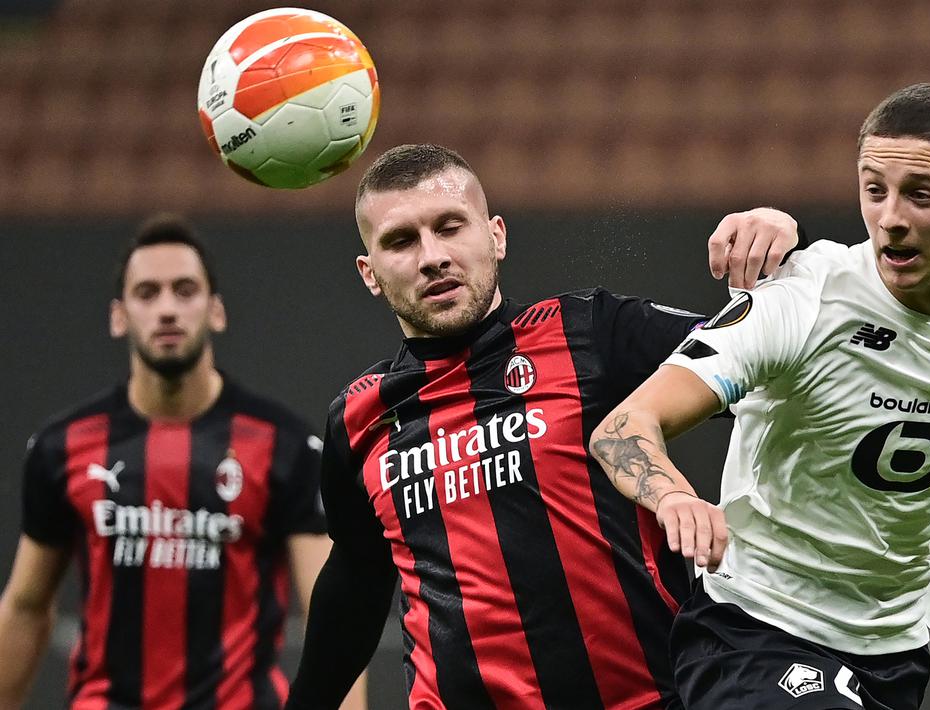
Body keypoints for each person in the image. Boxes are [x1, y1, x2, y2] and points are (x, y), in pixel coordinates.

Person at [589, 83, 930, 710]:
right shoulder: (802, 301)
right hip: (756, 630)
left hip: (892, 647)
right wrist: (674, 495)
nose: (891, 217)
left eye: (919, 195)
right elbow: (624, 427)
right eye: (874, 190)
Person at [284, 143, 802, 709]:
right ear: (370, 273)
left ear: (497, 236)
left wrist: (788, 261)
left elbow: (780, 371)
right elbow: (355, 589)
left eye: (450, 227)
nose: (432, 256)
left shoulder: (594, 334)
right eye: (401, 241)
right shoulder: (358, 419)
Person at [0, 217, 365, 710]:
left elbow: (332, 616)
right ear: (118, 317)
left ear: (216, 310)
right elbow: (25, 607)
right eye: (147, 293)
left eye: (185, 290)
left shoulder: (285, 445)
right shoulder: (62, 447)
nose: (167, 309)